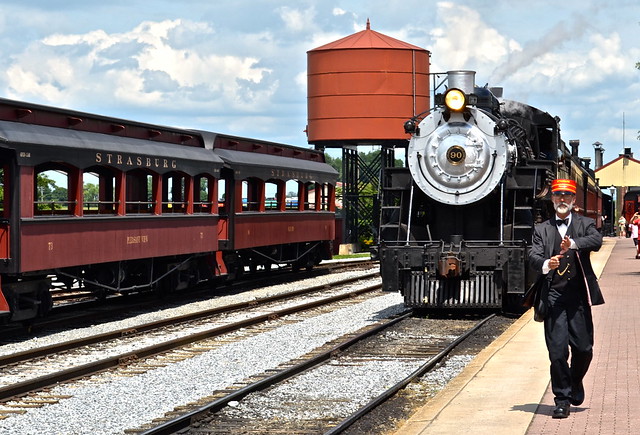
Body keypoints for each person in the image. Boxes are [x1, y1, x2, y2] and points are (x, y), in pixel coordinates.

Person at [529, 179, 605, 419]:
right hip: (553, 297)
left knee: (584, 348)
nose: (562, 200)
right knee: (557, 351)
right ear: (552, 200)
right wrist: (545, 263)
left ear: (573, 201)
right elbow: (533, 254)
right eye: (558, 196)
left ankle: (575, 381)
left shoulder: (585, 224)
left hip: (579, 296)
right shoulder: (542, 229)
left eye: (566, 197)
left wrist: (573, 243)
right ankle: (562, 398)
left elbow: (596, 241)